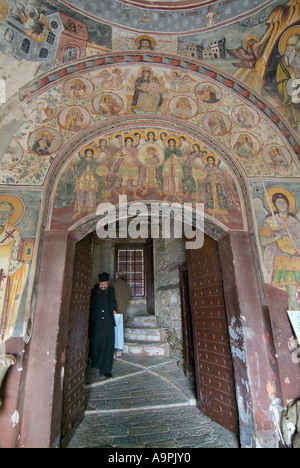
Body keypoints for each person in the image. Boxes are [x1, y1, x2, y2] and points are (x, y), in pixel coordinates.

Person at [88, 273, 117, 378]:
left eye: (105, 284)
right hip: (96, 324)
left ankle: (105, 369)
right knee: (96, 344)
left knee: (107, 346)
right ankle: (94, 364)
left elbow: (113, 302)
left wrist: (114, 309)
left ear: (108, 283)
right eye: (102, 284)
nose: (103, 286)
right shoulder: (93, 292)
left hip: (108, 323)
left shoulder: (111, 291)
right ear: (99, 283)